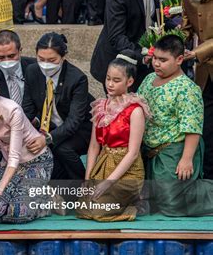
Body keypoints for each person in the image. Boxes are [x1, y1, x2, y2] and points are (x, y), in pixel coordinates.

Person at [0, 65, 53, 223]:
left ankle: (45, 201)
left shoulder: (12, 110)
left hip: (35, 160)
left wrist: (0, 189)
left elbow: (15, 156)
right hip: (8, 162)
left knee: (17, 213)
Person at [138, 35, 213, 216]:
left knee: (171, 205)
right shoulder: (149, 79)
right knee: (152, 199)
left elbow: (192, 127)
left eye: (163, 60)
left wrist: (186, 159)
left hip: (175, 149)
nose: (156, 63)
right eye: (155, 58)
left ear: (179, 60)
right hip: (149, 151)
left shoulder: (187, 89)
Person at [77, 50, 151, 222]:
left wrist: (108, 182)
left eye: (116, 80)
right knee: (83, 209)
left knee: (99, 212)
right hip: (104, 164)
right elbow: (94, 146)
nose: (110, 84)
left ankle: (134, 206)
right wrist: (88, 178)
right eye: (108, 78)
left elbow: (133, 153)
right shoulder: (101, 107)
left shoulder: (135, 110)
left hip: (128, 170)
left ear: (130, 81)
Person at [23, 32, 94, 180]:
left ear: (63, 57)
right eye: (41, 59)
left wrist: (47, 139)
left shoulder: (77, 78)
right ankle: (58, 187)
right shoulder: (32, 71)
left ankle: (81, 185)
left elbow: (74, 121)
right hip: (50, 126)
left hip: (81, 129)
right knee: (36, 147)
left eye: (52, 60)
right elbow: (28, 109)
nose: (46, 65)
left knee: (62, 148)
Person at [90, 0, 159, 91]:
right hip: (118, 62)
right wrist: (142, 57)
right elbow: (117, 37)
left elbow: (154, 16)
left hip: (141, 58)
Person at [0, 29, 36, 166]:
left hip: (34, 131)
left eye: (11, 56)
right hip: (3, 137)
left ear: (20, 51)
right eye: (1, 58)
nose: (6, 61)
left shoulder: (35, 67)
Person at [182, 0, 213, 178]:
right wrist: (170, 44)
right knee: (207, 129)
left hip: (200, 57)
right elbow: (186, 29)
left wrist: (196, 52)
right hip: (204, 73)